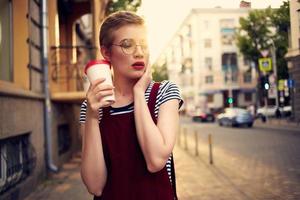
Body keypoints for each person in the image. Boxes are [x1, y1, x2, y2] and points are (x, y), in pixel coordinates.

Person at [79, 11, 183, 200]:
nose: (139, 52)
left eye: (143, 44)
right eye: (127, 44)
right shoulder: (92, 106)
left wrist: (139, 94)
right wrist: (93, 117)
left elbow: (155, 160)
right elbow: (95, 186)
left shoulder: (165, 92)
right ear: (106, 52)